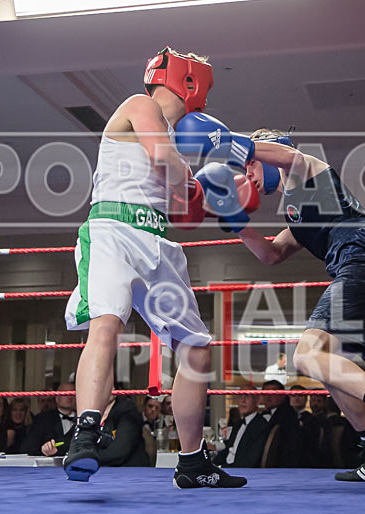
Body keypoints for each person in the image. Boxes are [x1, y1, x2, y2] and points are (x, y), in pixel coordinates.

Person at [174, 120, 365, 486]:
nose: (247, 171)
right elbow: (272, 253)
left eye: (250, 163)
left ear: (267, 153)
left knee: (305, 355)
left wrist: (227, 142)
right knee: (332, 369)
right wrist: (235, 221)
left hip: (363, 262)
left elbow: (290, 155)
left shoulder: (306, 169)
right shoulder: (297, 210)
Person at [62, 46, 245, 488]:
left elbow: (183, 206)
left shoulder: (176, 139)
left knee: (196, 347)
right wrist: (201, 176)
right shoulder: (140, 105)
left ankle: (193, 461)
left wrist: (214, 192)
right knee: (105, 323)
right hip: (113, 230)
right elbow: (163, 161)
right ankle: (86, 434)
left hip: (158, 241)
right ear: (191, 83)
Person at [212, 392, 270, 468]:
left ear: (257, 401)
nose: (242, 400)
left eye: (247, 396)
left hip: (240, 471)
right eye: (240, 396)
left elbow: (251, 461)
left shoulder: (261, 425)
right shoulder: (238, 424)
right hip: (227, 466)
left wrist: (222, 468)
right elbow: (228, 449)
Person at [21, 382, 77, 456]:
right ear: (57, 398)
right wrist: (44, 450)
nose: (69, 397)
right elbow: (28, 448)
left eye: (72, 394)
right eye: (65, 394)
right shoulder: (42, 419)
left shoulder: (84, 419)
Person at [98, 396, 150, 467]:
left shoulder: (128, 411)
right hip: (99, 469)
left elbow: (118, 453)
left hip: (130, 471)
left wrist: (86, 457)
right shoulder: (87, 412)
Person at [260, 380, 301, 467]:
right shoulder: (262, 415)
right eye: (265, 393)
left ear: (282, 396)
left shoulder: (288, 415)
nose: (268, 396)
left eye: (273, 393)